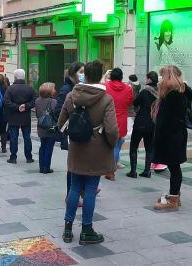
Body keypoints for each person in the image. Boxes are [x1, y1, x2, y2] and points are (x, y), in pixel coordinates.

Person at [58, 60, 119, 246]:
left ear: (84, 76)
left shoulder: (71, 95)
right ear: (100, 76)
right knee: (90, 189)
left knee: (75, 188)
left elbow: (61, 122)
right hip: (97, 150)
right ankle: (87, 230)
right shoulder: (106, 98)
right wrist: (110, 144)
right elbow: (112, 130)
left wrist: (72, 133)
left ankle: (68, 229)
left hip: (77, 148)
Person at [152, 65, 192, 211]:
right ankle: (174, 194)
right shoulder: (178, 92)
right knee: (174, 166)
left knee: (174, 167)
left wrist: (159, 138)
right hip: (175, 136)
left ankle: (173, 198)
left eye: (162, 76)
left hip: (172, 137)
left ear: (168, 77)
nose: (160, 79)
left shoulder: (174, 96)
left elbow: (168, 121)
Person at [54, 62, 85, 196]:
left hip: (80, 132)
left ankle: (82, 191)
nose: (84, 75)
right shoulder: (67, 90)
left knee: (80, 164)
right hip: (73, 133)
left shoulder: (79, 87)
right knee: (73, 167)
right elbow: (58, 111)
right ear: (73, 74)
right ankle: (71, 194)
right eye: (81, 72)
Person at [127, 71, 158, 178]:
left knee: (134, 146)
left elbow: (135, 102)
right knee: (149, 147)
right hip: (152, 123)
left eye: (147, 78)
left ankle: (133, 171)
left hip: (141, 122)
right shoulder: (159, 93)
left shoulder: (145, 91)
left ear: (149, 79)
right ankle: (147, 171)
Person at [104, 68, 134, 181]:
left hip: (107, 119)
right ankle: (111, 170)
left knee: (106, 146)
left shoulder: (106, 86)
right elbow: (130, 102)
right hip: (121, 120)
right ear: (121, 76)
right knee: (116, 146)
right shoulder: (128, 88)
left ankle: (107, 169)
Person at [4, 69, 36, 164]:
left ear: (15, 77)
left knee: (14, 137)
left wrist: (17, 107)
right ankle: (29, 157)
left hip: (13, 116)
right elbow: (34, 101)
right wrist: (25, 106)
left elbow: (6, 101)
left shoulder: (10, 88)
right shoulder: (30, 88)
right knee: (27, 137)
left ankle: (13, 157)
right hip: (26, 116)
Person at [35, 82, 57, 174]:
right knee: (49, 147)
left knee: (42, 146)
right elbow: (56, 114)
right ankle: (46, 167)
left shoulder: (37, 101)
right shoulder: (53, 102)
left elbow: (37, 114)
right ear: (49, 91)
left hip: (41, 126)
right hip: (50, 127)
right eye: (53, 89)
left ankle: (41, 167)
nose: (55, 90)